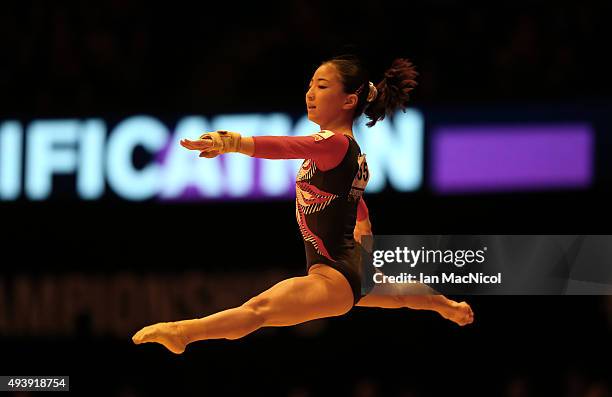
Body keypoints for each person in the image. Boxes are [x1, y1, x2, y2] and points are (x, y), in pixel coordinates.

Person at [132, 55, 474, 354]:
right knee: (400, 297)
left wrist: (230, 141)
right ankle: (446, 306)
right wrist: (364, 226)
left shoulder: (336, 143)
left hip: (333, 273)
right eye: (311, 84)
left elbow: (285, 146)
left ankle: (182, 333)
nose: (310, 93)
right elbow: (352, 196)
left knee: (259, 310)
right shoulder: (351, 151)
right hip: (348, 263)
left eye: (322, 86)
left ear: (348, 100)